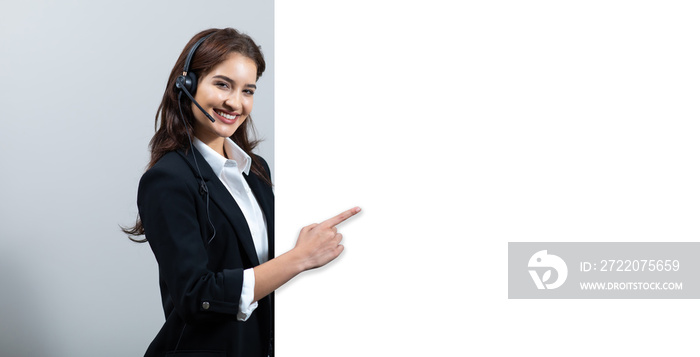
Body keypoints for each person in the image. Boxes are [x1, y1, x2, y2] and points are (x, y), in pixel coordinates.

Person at [123, 28, 360, 357]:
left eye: (248, 90)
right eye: (222, 84)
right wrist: (299, 258)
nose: (235, 102)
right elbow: (195, 296)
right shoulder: (167, 180)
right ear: (187, 85)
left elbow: (262, 273)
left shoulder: (256, 170)